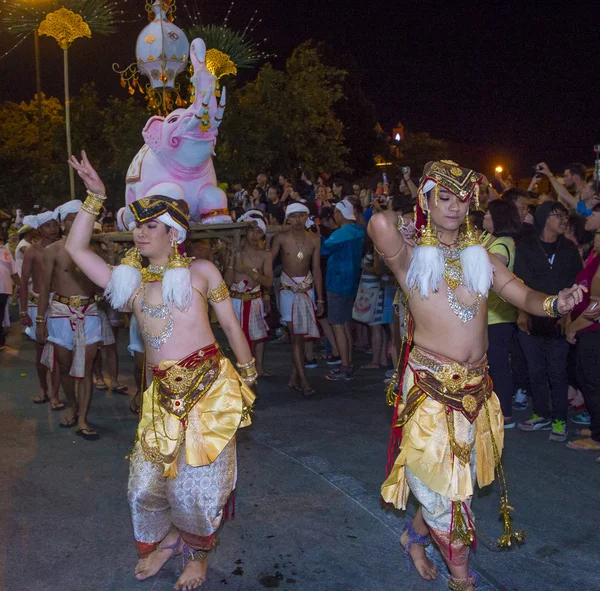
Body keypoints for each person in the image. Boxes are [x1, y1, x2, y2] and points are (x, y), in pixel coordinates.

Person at [369, 160, 584, 590]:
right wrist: (415, 218)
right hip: (429, 390)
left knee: (452, 485)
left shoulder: (480, 257)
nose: (453, 206)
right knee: (446, 496)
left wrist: (556, 304)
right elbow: (378, 223)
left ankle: (413, 535)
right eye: (443, 197)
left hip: (475, 390)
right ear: (427, 200)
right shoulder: (410, 257)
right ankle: (462, 579)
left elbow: (520, 293)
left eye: (461, 198)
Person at [65, 152, 256, 591]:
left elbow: (230, 325)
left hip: (210, 390)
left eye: (151, 225)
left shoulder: (201, 272)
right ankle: (170, 539)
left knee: (197, 490)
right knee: (144, 489)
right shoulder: (129, 284)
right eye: (138, 224)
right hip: (162, 396)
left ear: (174, 233)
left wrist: (247, 377)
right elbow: (77, 249)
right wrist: (94, 197)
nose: (140, 231)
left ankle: (196, 555)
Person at [36, 199, 105, 439]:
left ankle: (83, 419)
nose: (75, 223)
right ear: (63, 224)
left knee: (85, 369)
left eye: (80, 218)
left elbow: (103, 284)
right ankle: (74, 408)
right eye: (70, 219)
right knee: (64, 368)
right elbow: (44, 288)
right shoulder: (52, 251)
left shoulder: (95, 250)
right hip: (61, 314)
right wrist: (39, 321)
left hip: (90, 313)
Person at [515, 201, 583, 441]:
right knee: (535, 370)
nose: (564, 220)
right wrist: (522, 312)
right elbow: (519, 283)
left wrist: (569, 315)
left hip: (559, 321)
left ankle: (559, 419)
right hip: (531, 320)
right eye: (558, 215)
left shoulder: (569, 249)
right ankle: (541, 414)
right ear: (544, 218)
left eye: (565, 215)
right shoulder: (526, 247)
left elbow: (577, 283)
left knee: (557, 372)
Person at [271, 203, 324, 396]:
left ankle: (294, 378)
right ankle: (303, 381)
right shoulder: (281, 238)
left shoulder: (314, 239)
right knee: (296, 337)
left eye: (302, 216)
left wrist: (320, 299)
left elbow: (316, 269)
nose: (298, 220)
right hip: (288, 289)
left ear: (307, 217)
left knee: (300, 337)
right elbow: (268, 261)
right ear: (288, 218)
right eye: (294, 216)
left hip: (307, 288)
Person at [481, 200, 522, 428]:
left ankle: (505, 412)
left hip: (499, 317)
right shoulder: (490, 239)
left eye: (488, 212)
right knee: (491, 363)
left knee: (498, 364)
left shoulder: (502, 244)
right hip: (489, 315)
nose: (484, 215)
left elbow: (493, 271)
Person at [19, 211, 62, 407]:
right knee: (41, 351)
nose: (53, 229)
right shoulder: (32, 252)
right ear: (39, 229)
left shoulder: (63, 248)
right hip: (38, 306)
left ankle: (55, 394)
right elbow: (23, 282)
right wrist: (23, 311)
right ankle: (43, 389)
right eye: (48, 225)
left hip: (60, 303)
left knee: (59, 352)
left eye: (55, 224)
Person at [566, 206, 600, 451]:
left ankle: (598, 438)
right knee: (586, 379)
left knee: (593, 382)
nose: (596, 237)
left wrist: (572, 327)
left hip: (592, 330)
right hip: (587, 330)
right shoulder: (594, 257)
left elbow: (595, 308)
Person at [225, 214, 273, 377]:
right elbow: (228, 281)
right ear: (245, 232)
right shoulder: (234, 250)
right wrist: (232, 259)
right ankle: (238, 369)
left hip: (254, 299)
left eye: (259, 232)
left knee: (258, 337)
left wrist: (248, 271)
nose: (254, 235)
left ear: (263, 234)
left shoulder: (265, 254)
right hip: (236, 299)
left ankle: (259, 367)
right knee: (235, 336)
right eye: (252, 231)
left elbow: (268, 282)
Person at [322, 200, 365, 381]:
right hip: (352, 281)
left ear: (340, 213)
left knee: (338, 325)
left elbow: (323, 249)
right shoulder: (359, 231)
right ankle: (348, 363)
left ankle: (345, 366)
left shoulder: (341, 233)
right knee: (346, 323)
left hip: (338, 282)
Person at [0, 235, 19, 349]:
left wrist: (21, 286)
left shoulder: (6, 252)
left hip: (4, 288)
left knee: (0, 314)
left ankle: (1, 340)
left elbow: (14, 272)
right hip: (4, 288)